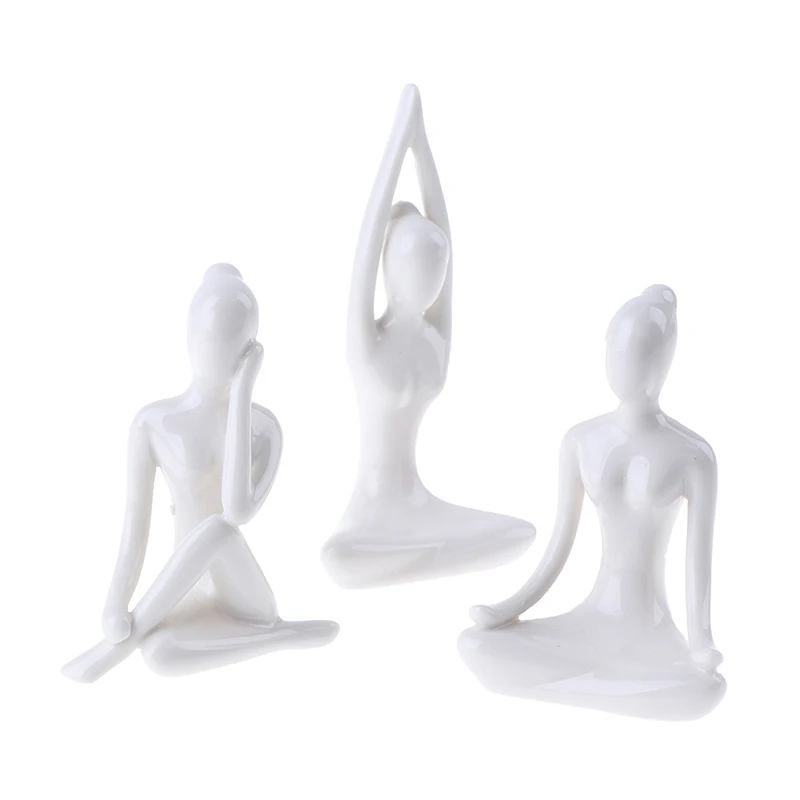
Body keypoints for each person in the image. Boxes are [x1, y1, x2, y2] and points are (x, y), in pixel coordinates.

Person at [63, 264, 338, 682]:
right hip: (181, 593)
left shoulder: (264, 429)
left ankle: (118, 650)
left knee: (218, 530)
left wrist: (242, 394)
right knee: (162, 657)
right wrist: (115, 602)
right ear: (188, 336)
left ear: (248, 350)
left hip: (245, 599)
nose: (215, 351)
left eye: (230, 341)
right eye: (207, 337)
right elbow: (135, 529)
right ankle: (281, 637)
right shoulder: (153, 423)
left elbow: (237, 512)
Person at [461, 286, 725, 720]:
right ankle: (605, 684)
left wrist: (702, 642)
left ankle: (608, 682)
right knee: (475, 644)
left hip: (652, 635)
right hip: (587, 620)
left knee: (701, 690)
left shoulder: (693, 456)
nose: (624, 367)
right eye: (616, 353)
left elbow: (698, 563)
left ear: (665, 361)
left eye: (640, 355)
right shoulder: (581, 440)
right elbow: (559, 545)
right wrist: (509, 608)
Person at [321, 86, 535, 588]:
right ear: (389, 271)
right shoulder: (368, 343)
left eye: (437, 269)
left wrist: (423, 147)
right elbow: (370, 235)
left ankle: (417, 553)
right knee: (340, 559)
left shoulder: (435, 337)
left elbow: (444, 229)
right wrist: (404, 140)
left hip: (420, 506)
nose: (431, 281)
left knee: (518, 534)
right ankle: (401, 556)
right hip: (369, 515)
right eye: (416, 267)